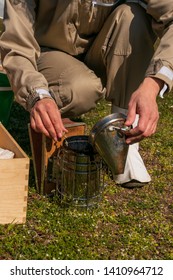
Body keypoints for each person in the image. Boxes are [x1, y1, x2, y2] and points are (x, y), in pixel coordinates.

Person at [0, 0, 172, 187]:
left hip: (103, 48)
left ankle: (124, 141)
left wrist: (153, 84)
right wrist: (36, 94)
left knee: (133, 17)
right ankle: (57, 111)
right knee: (81, 89)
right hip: (51, 54)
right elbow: (17, 45)